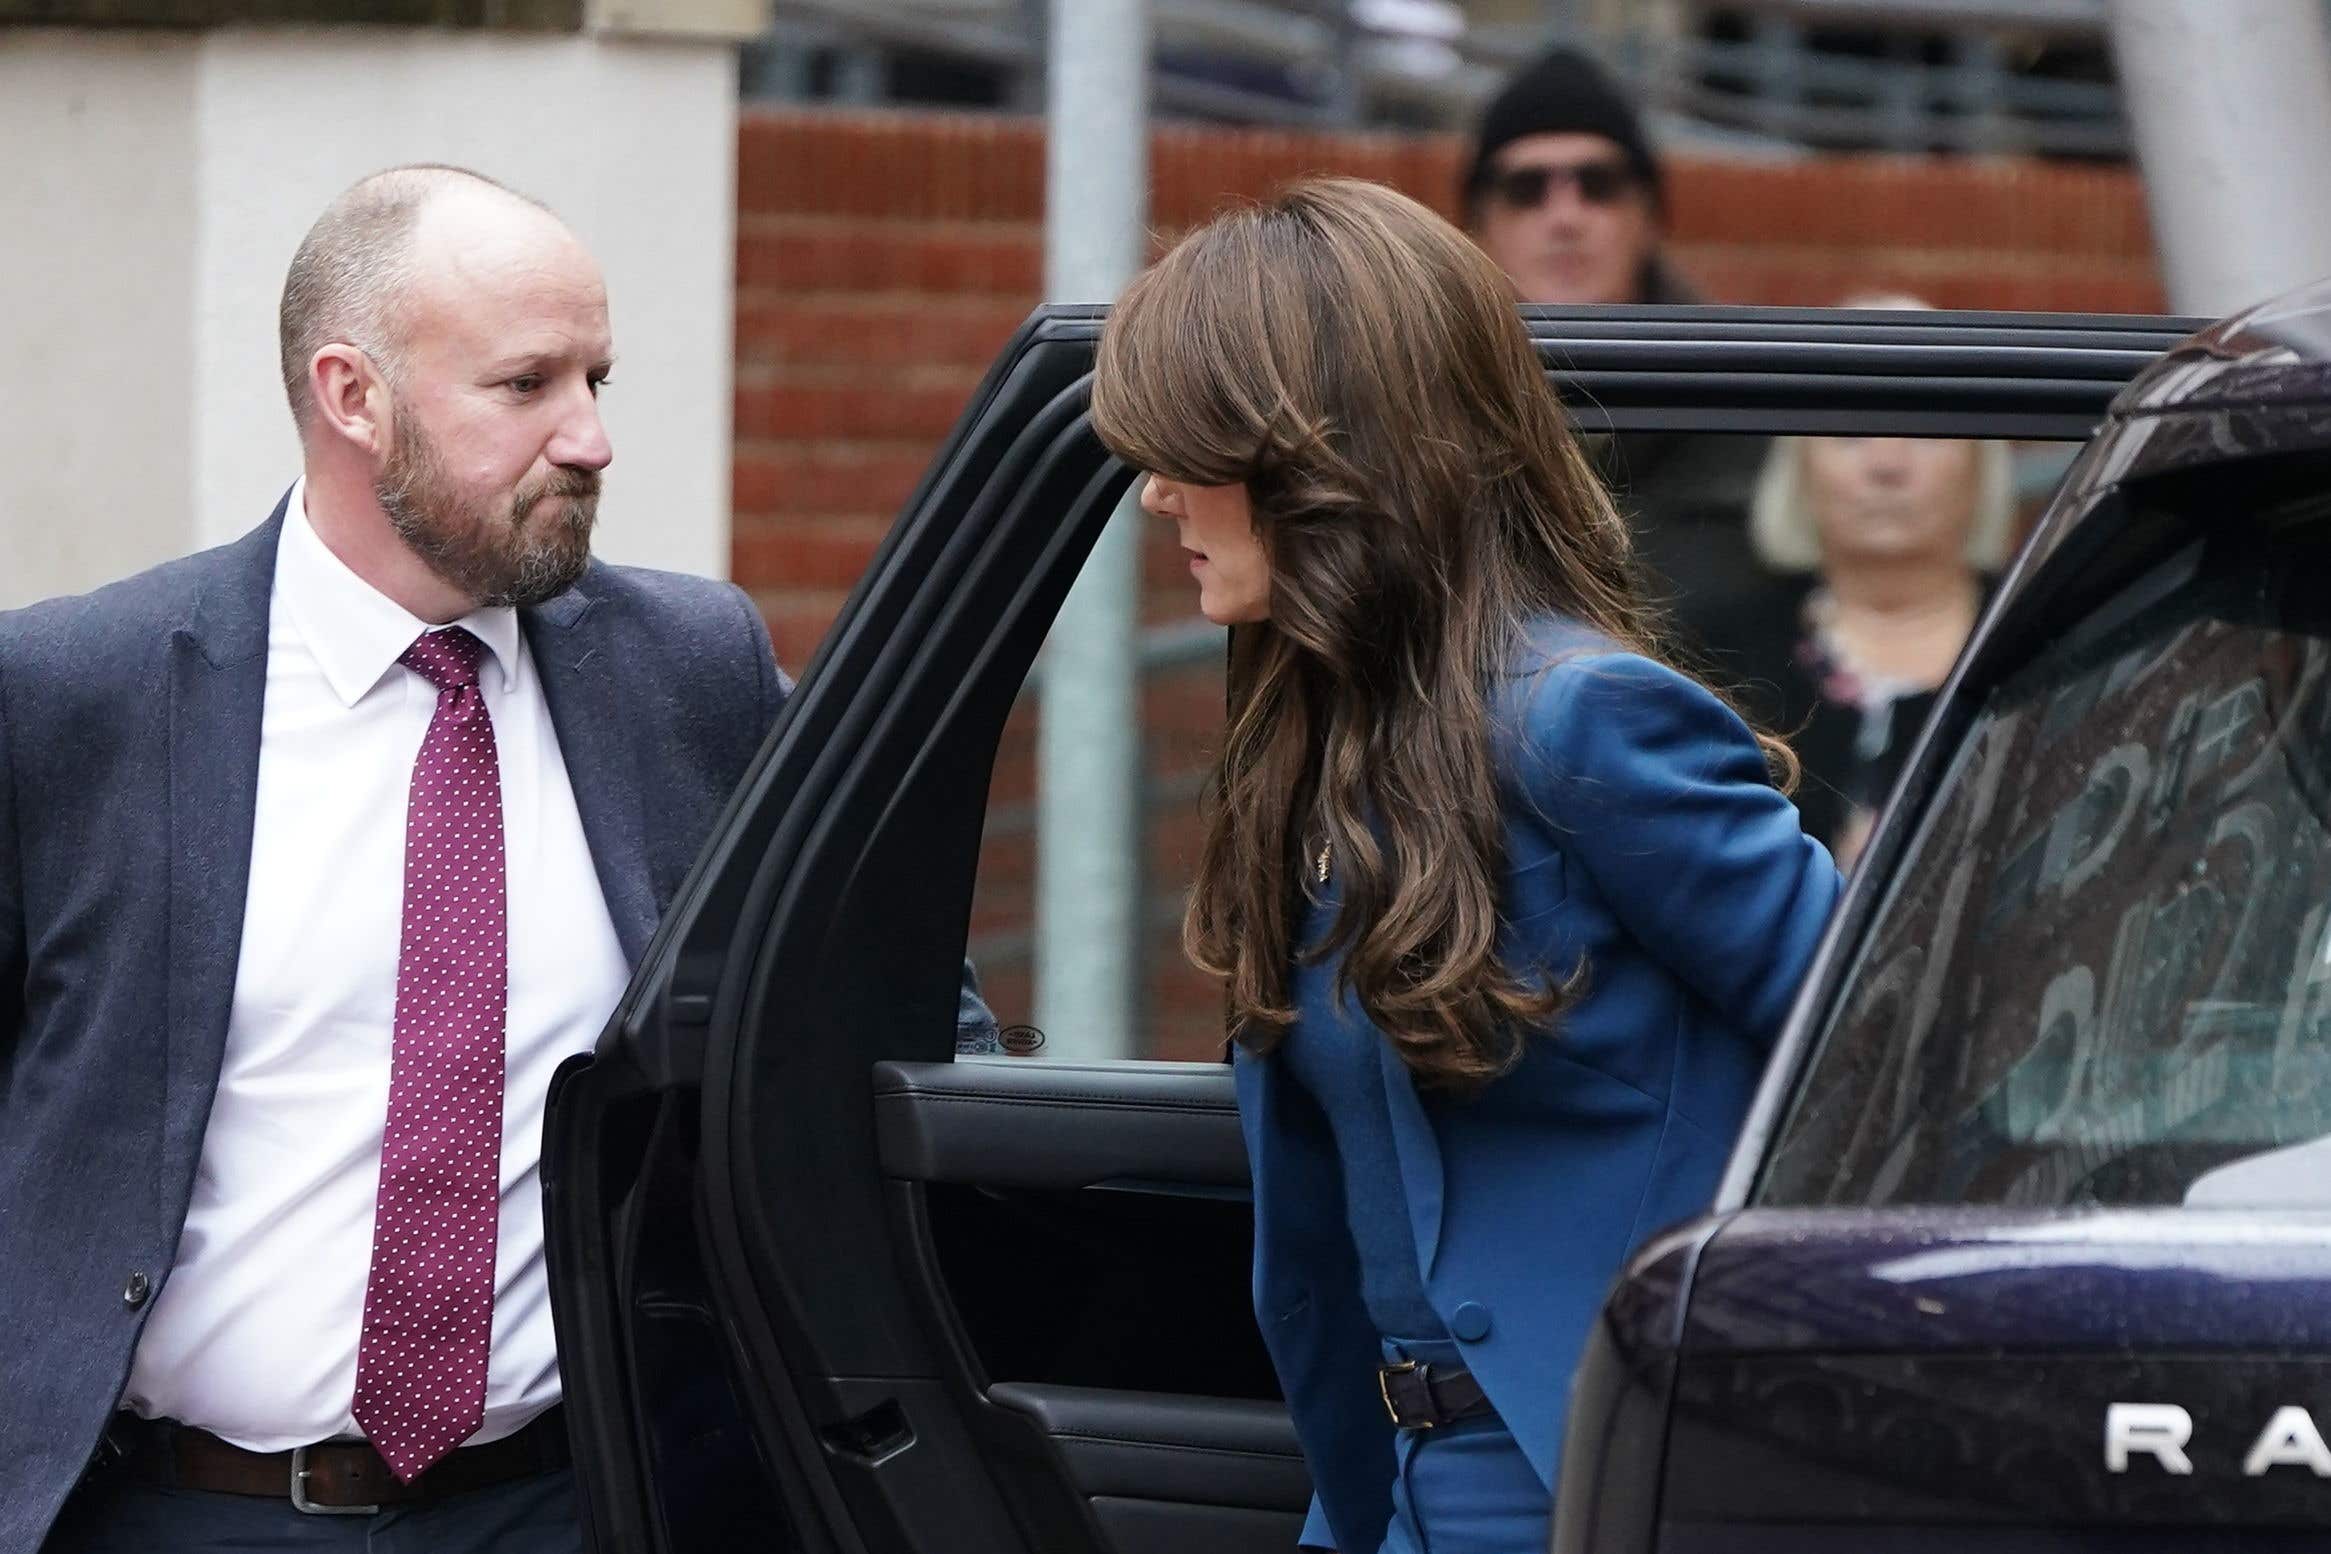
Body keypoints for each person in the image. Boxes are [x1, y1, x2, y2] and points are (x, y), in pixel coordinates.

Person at [0, 165, 994, 1554]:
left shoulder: (690, 673)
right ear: (354, 396)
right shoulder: (77, 696)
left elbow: (894, 1019)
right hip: (172, 1511)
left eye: (598, 377)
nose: (589, 437)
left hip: (574, 1505)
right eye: (527, 385)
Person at [1090, 178, 1841, 1554]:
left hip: (1607, 1476)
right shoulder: (1314, 742)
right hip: (1389, 1477)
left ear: (1322, 454)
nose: (1153, 493)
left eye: (1191, 449)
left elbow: (1880, 1055)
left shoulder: (1578, 717)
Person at [1462, 45, 1796, 708]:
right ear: (1477, 226)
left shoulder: (1749, 396)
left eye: (1598, 183)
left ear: (1648, 215)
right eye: (1526, 189)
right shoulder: (1426, 405)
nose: (1564, 216)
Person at [1736, 302, 2015, 867]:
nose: (1888, 463)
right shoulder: (1717, 657)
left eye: (1928, 429)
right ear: (1800, 466)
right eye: (1851, 432)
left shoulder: (2041, 636)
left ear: (1981, 465)